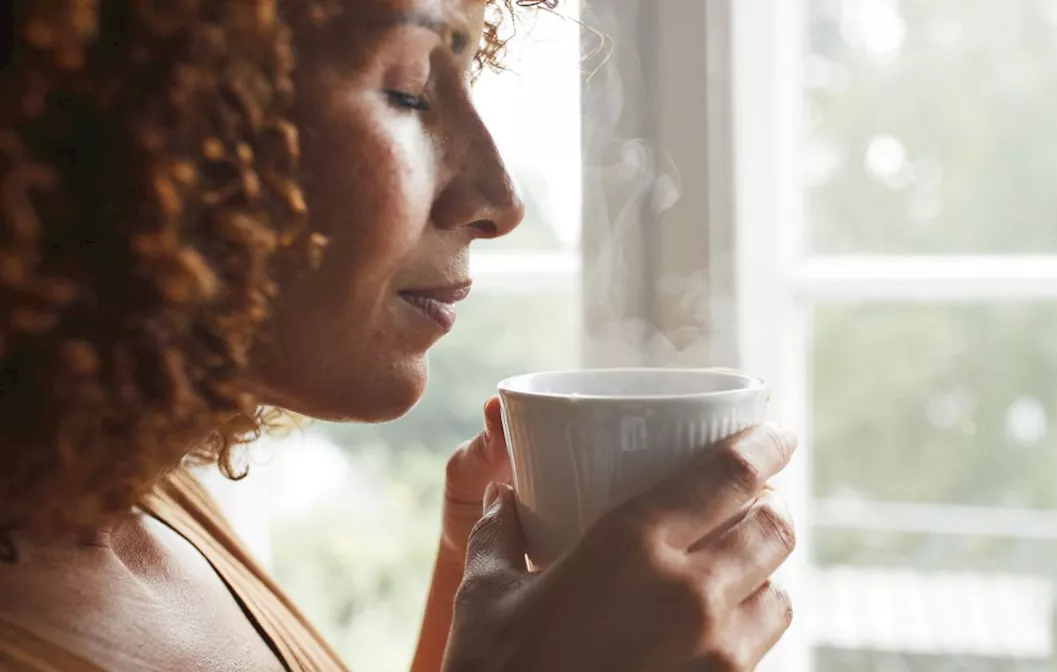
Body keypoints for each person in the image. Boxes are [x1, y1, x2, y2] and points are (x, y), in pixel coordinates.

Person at [0, 1, 798, 670]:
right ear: (145, 116)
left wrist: (480, 592)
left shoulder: (131, 500)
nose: (500, 198)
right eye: (412, 92)